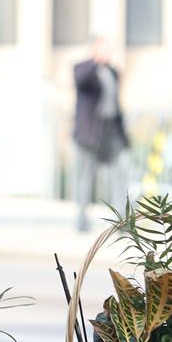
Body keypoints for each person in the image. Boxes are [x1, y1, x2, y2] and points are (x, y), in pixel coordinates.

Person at [72, 36, 129, 231]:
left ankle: (120, 220)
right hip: (89, 134)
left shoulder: (112, 72)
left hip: (111, 131)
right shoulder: (84, 68)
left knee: (120, 174)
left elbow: (116, 103)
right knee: (85, 178)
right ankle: (81, 220)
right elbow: (81, 80)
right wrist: (95, 60)